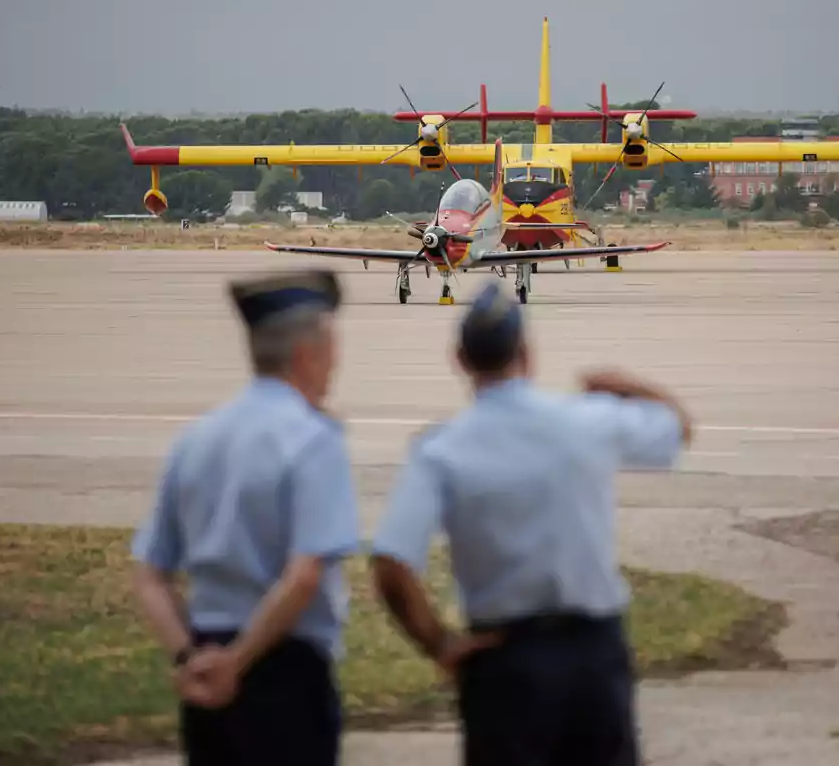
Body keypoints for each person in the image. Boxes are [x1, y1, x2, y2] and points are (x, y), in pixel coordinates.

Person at [369, 279, 693, 766]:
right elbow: (677, 429)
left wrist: (440, 643)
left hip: (505, 663)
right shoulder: (587, 420)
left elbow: (392, 563)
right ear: (528, 353)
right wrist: (626, 386)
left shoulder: (442, 450)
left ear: (460, 359)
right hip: (594, 655)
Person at [130, 268, 360, 766]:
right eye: (332, 350)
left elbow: (149, 574)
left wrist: (192, 659)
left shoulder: (196, 438)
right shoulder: (313, 440)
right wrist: (239, 662)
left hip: (205, 681)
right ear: (306, 355)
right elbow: (303, 577)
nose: (335, 366)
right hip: (284, 675)